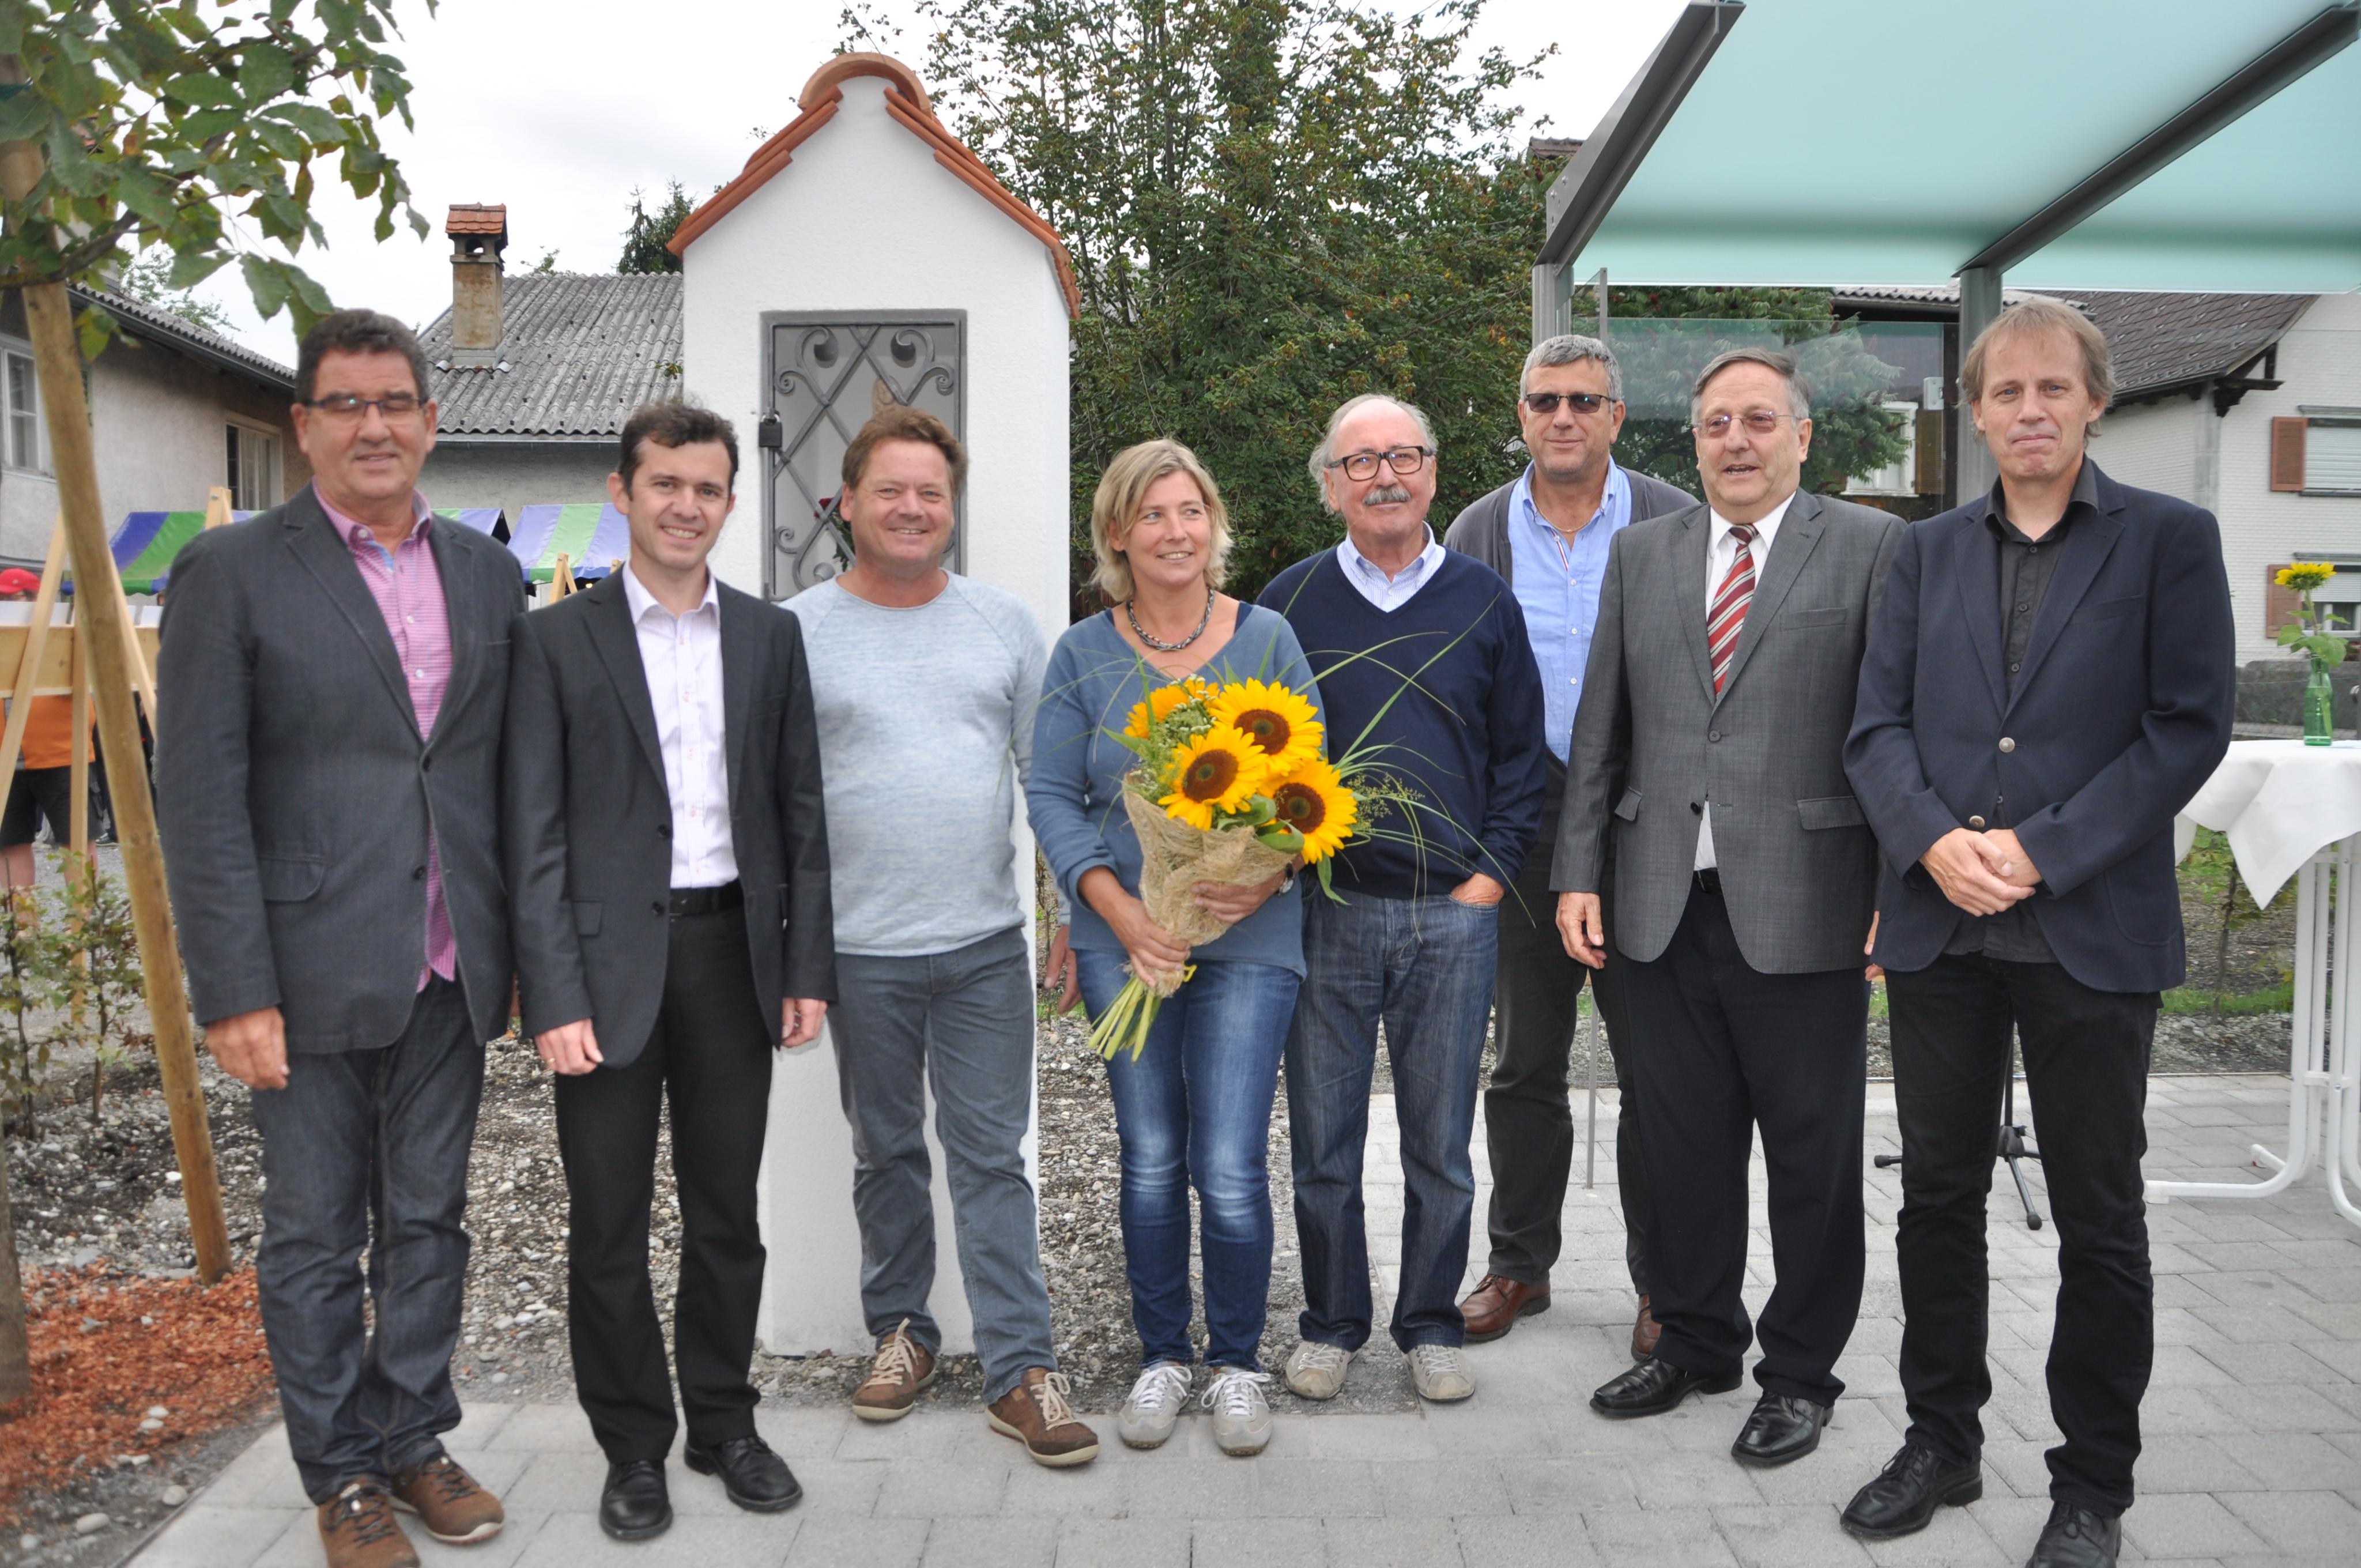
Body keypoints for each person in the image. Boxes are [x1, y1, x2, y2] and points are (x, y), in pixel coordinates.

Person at [1841, 296, 2235, 1568]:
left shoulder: (2170, 540)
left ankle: (2092, 1485)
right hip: (1942, 928)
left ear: (2093, 402)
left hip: (2089, 928)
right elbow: (1874, 728)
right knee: (1936, 1201)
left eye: (2051, 388)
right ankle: (1940, 1442)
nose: (2028, 410)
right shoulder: (1922, 553)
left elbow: (2186, 727)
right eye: (2004, 391)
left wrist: (2041, 850)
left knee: (2098, 1215)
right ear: (1973, 412)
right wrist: (1931, 844)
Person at [156, 310, 523, 1568]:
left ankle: (414, 1438)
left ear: (431, 420)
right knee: (315, 1234)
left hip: (448, 965)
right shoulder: (232, 571)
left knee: (430, 1222)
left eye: (396, 402)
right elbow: (199, 797)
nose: (376, 426)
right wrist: (232, 989)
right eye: (348, 404)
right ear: (302, 426)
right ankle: (343, 1476)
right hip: (302, 972)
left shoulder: (486, 573)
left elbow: (494, 775)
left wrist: (519, 955)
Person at [1556, 348, 1898, 1469]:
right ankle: (1697, 1340)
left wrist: (1896, 889)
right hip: (1656, 902)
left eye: (1758, 420)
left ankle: (1798, 1376)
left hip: (1808, 903)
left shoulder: (1870, 548)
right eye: (1714, 424)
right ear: (1692, 441)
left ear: (1802, 435)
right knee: (1680, 1145)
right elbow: (1601, 728)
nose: (1735, 441)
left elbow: (1894, 732)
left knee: (1810, 1160)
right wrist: (1577, 872)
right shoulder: (1642, 553)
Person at [505, 402, 834, 1541]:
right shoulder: (556, 640)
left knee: (725, 1214)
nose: (686, 506)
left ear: (729, 503)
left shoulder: (770, 637)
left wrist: (804, 964)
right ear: (623, 492)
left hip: (732, 958)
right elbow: (531, 832)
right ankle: (633, 1447)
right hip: (602, 972)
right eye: (665, 485)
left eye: (706, 489)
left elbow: (801, 813)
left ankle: (724, 1424)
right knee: (606, 1221)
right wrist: (550, 992)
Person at [786, 405, 1100, 1468]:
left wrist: (1065, 914)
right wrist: (790, 953)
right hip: (857, 953)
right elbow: (779, 803)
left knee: (991, 1160)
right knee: (884, 1153)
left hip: (982, 950)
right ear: (848, 502)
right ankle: (902, 1334)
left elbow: (1048, 782)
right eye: (891, 490)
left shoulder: (1004, 624)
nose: (913, 508)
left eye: (931, 492)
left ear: (951, 508)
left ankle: (1021, 1371)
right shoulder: (797, 631)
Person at [1029, 439, 1319, 1456]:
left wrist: (1266, 875)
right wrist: (1119, 913)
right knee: (1151, 1156)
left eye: (1189, 510)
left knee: (1230, 1160)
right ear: (1117, 534)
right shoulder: (1081, 655)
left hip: (1252, 936)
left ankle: (1236, 1363)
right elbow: (1051, 794)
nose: (1174, 531)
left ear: (1214, 524)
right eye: (1151, 514)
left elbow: (1310, 782)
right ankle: (1162, 1355)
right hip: (1128, 940)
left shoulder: (1268, 638)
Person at [1260, 393, 1547, 1405]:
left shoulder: (1482, 598)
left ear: (1432, 470)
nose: (1385, 476)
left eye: (1404, 456)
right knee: (1323, 1145)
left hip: (1451, 915)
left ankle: (1428, 1324)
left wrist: (1488, 879)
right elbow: (1259, 751)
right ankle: (1333, 1324)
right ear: (1329, 483)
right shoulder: (1290, 602)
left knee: (1441, 1146)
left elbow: (1521, 754)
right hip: (1326, 911)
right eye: (1361, 461)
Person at [1443, 334, 1695, 1357]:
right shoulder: (1476, 530)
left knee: (1657, 1065)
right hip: (1523, 823)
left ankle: (1666, 1280)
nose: (1563, 417)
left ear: (1616, 417)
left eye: (1584, 401)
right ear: (1521, 415)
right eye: (1545, 400)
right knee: (1524, 1062)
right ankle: (1519, 1264)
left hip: (1643, 820)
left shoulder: (1674, 519)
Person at [0, 566, 89, 888]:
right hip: (6, 756)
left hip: (60, 751)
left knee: (76, 840)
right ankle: (21, 919)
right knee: (9, 842)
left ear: (37, 598)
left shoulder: (64, 629)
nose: (7, 603)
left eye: (15, 597)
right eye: (3, 597)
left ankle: (86, 917)